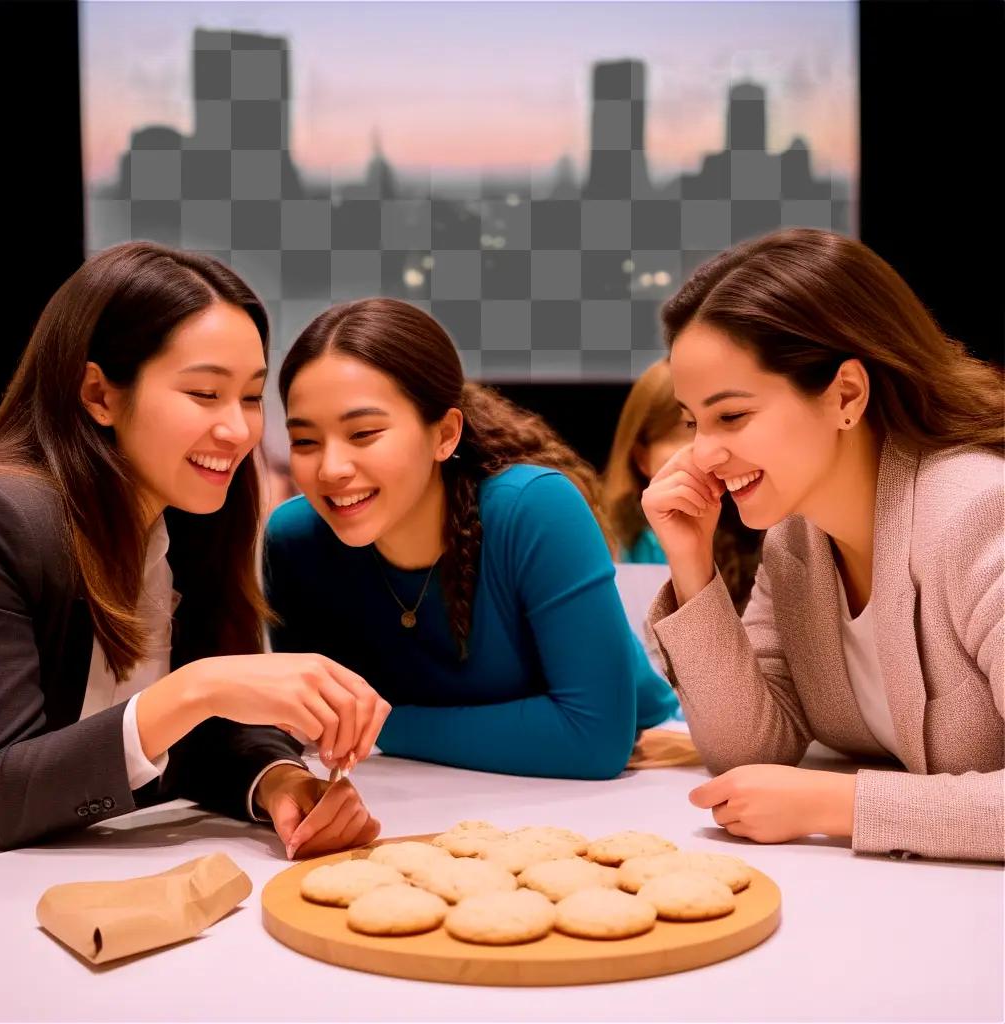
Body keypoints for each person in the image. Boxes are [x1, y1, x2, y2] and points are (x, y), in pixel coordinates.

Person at [0, 242, 388, 857]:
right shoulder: (1, 517)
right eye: (204, 394)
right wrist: (201, 686)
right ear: (99, 394)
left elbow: (190, 743)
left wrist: (277, 781)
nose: (237, 429)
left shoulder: (193, 516)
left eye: (251, 397)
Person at [641, 228, 1003, 862]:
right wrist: (693, 564)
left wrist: (838, 805)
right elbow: (750, 756)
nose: (701, 453)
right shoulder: (797, 539)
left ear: (845, 395)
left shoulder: (977, 511)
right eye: (692, 421)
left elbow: (792, 794)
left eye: (732, 416)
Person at [264, 297, 681, 780]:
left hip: (630, 765)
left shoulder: (535, 508)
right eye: (305, 442)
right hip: (430, 792)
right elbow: (316, 728)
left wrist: (381, 726)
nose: (331, 469)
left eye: (363, 433)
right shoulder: (295, 540)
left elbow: (596, 739)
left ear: (444, 434)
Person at [603, 358, 762, 612]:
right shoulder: (610, 539)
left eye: (727, 421)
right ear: (642, 458)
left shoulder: (764, 532)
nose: (706, 454)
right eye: (688, 427)